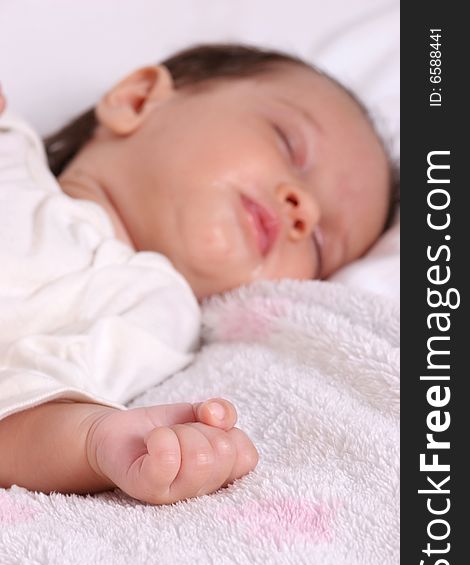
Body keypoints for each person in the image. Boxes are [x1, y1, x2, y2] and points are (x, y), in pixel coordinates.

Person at [0, 44, 398, 505]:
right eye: (289, 146)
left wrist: (99, 441)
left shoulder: (156, 313)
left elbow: (20, 411)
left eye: (320, 243)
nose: (303, 210)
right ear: (138, 100)